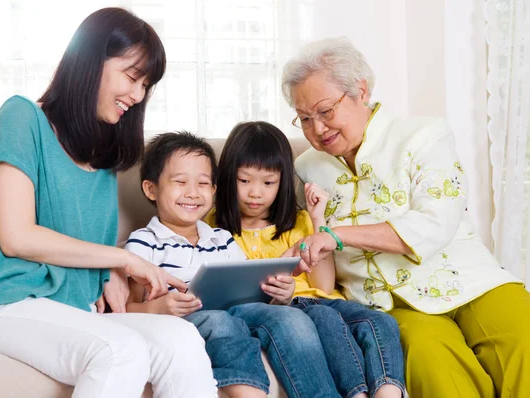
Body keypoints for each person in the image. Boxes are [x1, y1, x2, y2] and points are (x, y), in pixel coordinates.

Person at [0, 8, 218, 398]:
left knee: (182, 341)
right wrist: (121, 259)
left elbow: (82, 244)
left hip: (70, 308)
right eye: (133, 77)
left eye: (146, 85)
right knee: (120, 351)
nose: (137, 96)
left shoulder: (104, 154)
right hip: (0, 301)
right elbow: (17, 237)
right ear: (90, 60)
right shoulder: (22, 117)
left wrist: (110, 272)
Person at [281, 36, 530, 398]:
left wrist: (339, 235)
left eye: (325, 111)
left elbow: (436, 221)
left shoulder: (424, 135)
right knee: (430, 357)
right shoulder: (304, 169)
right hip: (389, 304)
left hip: (471, 281)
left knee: (522, 333)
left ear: (360, 91)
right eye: (304, 118)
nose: (317, 129)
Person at [125, 131, 339, 398]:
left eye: (203, 184)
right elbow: (128, 308)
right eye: (180, 182)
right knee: (221, 321)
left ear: (214, 191)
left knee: (292, 317)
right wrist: (159, 306)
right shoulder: (144, 243)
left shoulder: (221, 239)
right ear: (151, 189)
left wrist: (279, 296)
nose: (192, 193)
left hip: (239, 312)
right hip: (187, 319)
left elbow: (253, 292)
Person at [207, 121, 404, 398]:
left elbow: (323, 287)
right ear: (228, 177)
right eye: (244, 180)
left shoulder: (298, 222)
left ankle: (388, 392)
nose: (255, 192)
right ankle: (356, 394)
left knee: (382, 322)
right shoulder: (212, 229)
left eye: (268, 182)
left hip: (320, 301)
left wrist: (317, 221)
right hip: (288, 309)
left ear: (282, 181)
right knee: (324, 316)